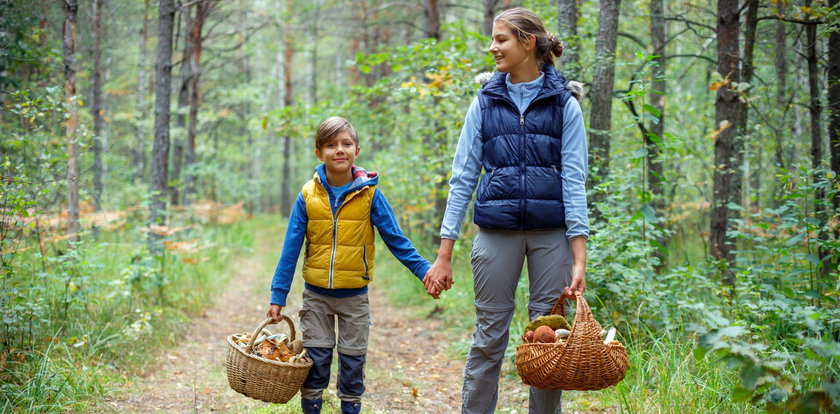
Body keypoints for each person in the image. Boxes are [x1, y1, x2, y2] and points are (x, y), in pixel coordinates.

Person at [422, 7, 589, 414]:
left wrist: (579, 256)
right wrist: (444, 254)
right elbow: (462, 178)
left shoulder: (565, 104)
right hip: (495, 235)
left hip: (552, 236)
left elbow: (574, 181)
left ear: (528, 43)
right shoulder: (485, 102)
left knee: (548, 338)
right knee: (488, 337)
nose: (492, 47)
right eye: (493, 39)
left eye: (501, 39)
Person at [265, 116, 432, 414]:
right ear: (319, 153)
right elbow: (290, 250)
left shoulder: (370, 195)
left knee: (353, 361)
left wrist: (424, 271)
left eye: (346, 144)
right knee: (315, 360)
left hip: (355, 296)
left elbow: (396, 239)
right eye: (331, 145)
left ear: (357, 150)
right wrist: (278, 295)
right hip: (316, 296)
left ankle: (350, 408)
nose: (339, 150)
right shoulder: (307, 195)